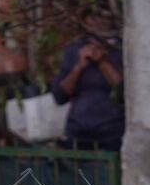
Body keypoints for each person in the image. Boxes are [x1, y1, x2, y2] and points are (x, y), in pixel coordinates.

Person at [50, 13, 125, 152]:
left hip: (112, 135)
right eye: (92, 16)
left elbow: (124, 93)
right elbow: (59, 96)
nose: (97, 21)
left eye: (102, 16)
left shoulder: (121, 50)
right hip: (78, 133)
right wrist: (79, 67)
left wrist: (102, 62)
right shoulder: (74, 50)